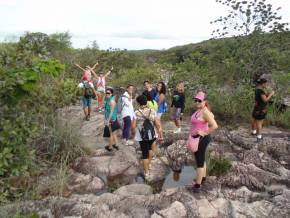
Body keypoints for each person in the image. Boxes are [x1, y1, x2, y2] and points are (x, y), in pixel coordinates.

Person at [190, 91, 218, 193]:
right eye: (196, 100)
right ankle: (203, 178)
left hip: (201, 139)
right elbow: (211, 116)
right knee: (202, 159)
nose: (197, 102)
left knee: (199, 163)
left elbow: (214, 125)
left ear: (204, 101)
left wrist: (204, 132)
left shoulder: (205, 111)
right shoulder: (201, 110)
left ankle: (197, 186)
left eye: (199, 100)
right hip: (197, 138)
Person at [132, 95, 163, 180]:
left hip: (142, 136)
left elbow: (133, 126)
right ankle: (148, 166)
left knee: (145, 154)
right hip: (152, 134)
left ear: (138, 103)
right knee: (150, 150)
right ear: (146, 102)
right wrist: (160, 134)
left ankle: (146, 172)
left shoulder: (136, 112)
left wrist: (133, 134)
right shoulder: (152, 111)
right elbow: (158, 124)